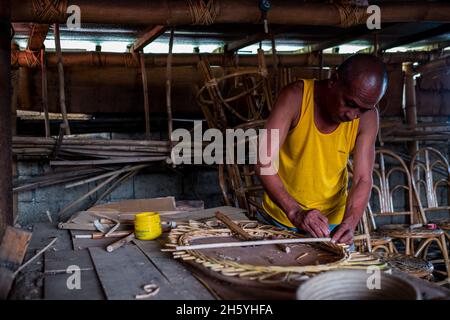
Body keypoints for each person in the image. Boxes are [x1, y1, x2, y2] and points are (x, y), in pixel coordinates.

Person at [255, 54, 388, 245]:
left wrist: (349, 224)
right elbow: (263, 162)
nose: (353, 115)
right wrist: (295, 211)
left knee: (334, 275)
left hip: (330, 227)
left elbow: (362, 179)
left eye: (363, 109)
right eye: (350, 104)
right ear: (334, 80)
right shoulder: (295, 98)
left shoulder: (367, 118)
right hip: (280, 219)